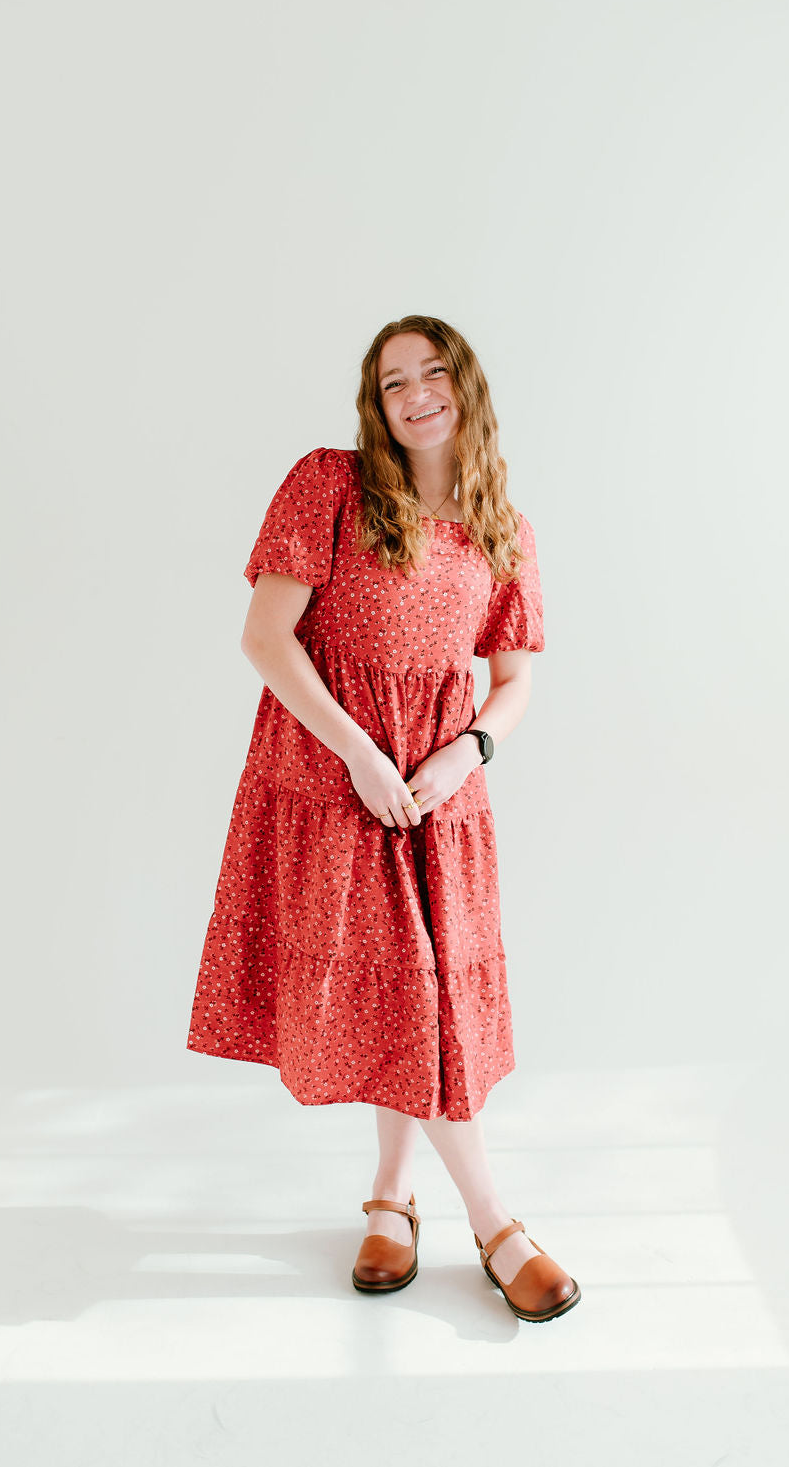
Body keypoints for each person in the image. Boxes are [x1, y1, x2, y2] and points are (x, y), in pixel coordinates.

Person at [187, 314, 580, 1323]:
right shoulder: (330, 483)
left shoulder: (506, 529)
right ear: (374, 399)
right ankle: (494, 1222)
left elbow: (514, 682)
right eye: (392, 379)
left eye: (432, 372)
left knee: (421, 1000)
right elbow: (265, 638)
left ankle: (391, 1200)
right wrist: (360, 754)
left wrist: (464, 754)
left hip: (442, 790)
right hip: (334, 778)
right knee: (406, 1000)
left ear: (466, 386)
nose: (414, 394)